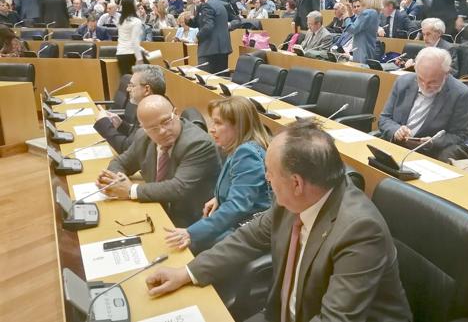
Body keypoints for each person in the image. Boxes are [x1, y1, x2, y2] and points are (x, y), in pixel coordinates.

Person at [144, 120, 412, 322]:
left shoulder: (360, 231)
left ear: (296, 183)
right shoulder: (295, 201)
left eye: (269, 173)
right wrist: (186, 272)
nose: (267, 180)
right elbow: (247, 239)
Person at [164, 96, 272, 254]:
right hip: (237, 222)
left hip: (245, 230)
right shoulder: (241, 146)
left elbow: (237, 206)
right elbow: (246, 186)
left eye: (218, 123)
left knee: (181, 251)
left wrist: (191, 233)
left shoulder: (246, 153)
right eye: (212, 122)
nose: (212, 129)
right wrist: (219, 197)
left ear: (238, 126)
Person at [98, 95, 220, 228]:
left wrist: (130, 190)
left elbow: (178, 188)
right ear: (143, 128)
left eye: (166, 122)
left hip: (191, 222)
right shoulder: (143, 137)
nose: (162, 131)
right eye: (153, 128)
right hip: (155, 209)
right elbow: (120, 162)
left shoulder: (198, 143)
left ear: (176, 114)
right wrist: (115, 181)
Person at [380, 47, 468, 160]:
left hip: (428, 155)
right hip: (395, 146)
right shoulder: (403, 82)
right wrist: (396, 131)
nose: (425, 86)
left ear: (446, 74)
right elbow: (384, 118)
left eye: (433, 82)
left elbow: (459, 136)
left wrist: (433, 142)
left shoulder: (460, 94)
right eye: (421, 79)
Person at [94, 64, 165, 154]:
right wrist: (120, 125)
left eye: (132, 85)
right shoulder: (147, 105)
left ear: (147, 90)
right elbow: (135, 137)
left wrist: (104, 123)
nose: (128, 89)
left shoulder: (154, 113)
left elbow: (127, 149)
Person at [187, 0, 232, 74]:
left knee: (206, 82)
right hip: (223, 49)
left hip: (209, 50)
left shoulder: (207, 5)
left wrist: (197, 36)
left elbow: (208, 26)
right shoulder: (222, 4)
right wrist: (188, 21)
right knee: (221, 80)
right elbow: (203, 22)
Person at [343, 0, 381, 64]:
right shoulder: (373, 12)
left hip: (362, 53)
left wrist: (345, 17)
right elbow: (359, 26)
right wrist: (350, 12)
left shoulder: (368, 12)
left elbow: (352, 29)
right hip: (365, 51)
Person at [116, 0, 144, 75]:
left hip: (121, 53)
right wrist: (139, 58)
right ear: (132, 6)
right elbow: (134, 41)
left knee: (126, 81)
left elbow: (126, 39)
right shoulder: (136, 21)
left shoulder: (120, 20)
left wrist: (142, 49)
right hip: (131, 55)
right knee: (136, 82)